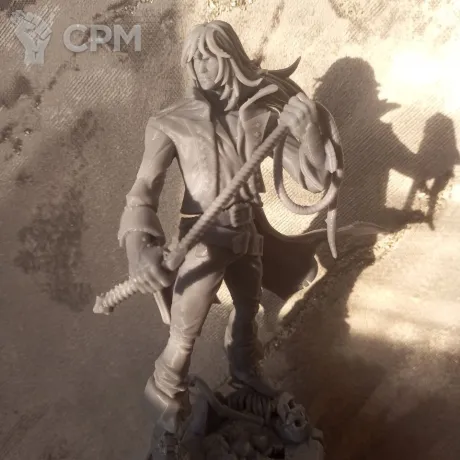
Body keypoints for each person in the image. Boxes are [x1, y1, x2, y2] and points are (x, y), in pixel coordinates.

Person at [117, 20, 335, 453]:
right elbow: (141, 193)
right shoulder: (170, 122)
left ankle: (245, 374)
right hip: (201, 245)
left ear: (230, 58)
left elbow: (313, 180)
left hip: (246, 238)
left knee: (247, 312)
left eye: (209, 56)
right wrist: (140, 250)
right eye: (193, 58)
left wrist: (310, 132)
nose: (200, 66)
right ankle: (165, 407)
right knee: (183, 336)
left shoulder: (261, 117)